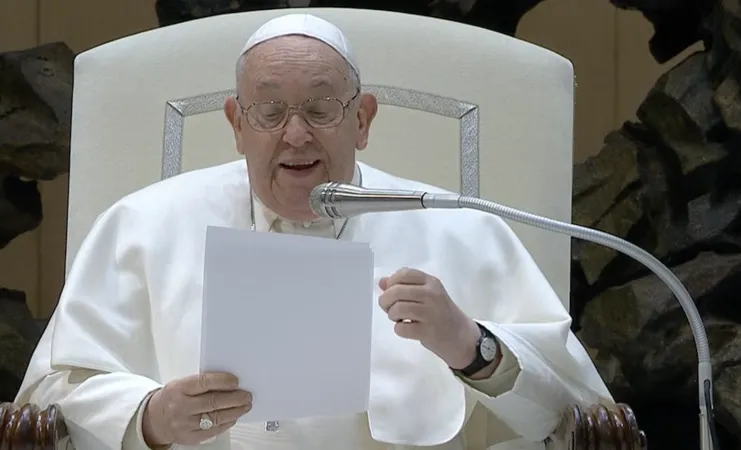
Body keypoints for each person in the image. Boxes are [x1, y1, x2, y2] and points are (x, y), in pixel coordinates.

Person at [15, 13, 613, 450]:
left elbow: (575, 415)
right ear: (236, 124)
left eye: (322, 109)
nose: (296, 135)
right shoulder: (141, 226)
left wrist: (470, 346)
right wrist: (147, 418)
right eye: (270, 112)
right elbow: (49, 401)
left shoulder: (457, 228)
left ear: (363, 119)